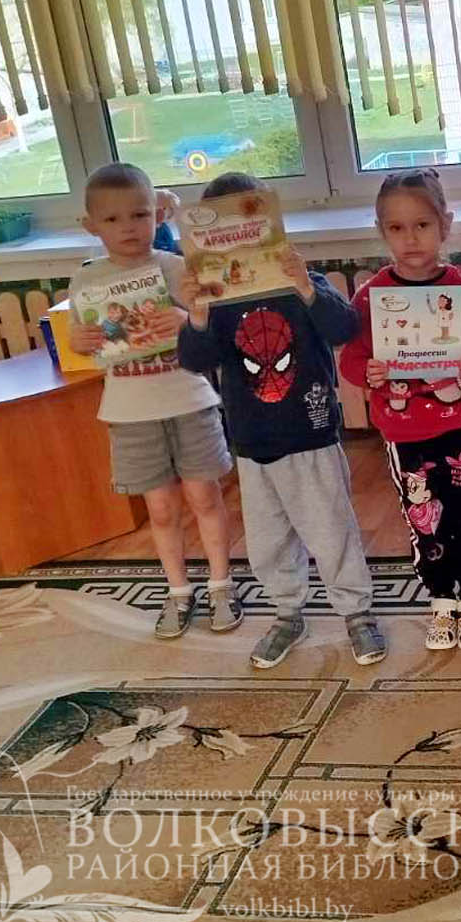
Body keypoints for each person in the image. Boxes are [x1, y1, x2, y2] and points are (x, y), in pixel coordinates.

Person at [177, 171, 386, 670]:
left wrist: (305, 285)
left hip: (310, 433)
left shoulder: (302, 285)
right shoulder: (218, 303)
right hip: (252, 443)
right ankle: (287, 613)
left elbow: (344, 327)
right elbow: (195, 358)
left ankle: (356, 612)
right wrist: (197, 313)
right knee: (268, 541)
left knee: (331, 530)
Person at [337, 169, 461, 652]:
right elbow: (351, 359)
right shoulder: (370, 297)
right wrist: (368, 371)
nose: (410, 238)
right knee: (423, 518)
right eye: (396, 227)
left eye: (422, 225)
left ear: (444, 225)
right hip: (405, 433)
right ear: (381, 231)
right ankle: (440, 597)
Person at [66, 163, 236, 639]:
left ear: (158, 214)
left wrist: (186, 319)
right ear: (91, 226)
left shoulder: (177, 267)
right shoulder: (85, 281)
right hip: (130, 411)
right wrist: (79, 340)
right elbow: (82, 343)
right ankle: (178, 590)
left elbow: (210, 325)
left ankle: (221, 585)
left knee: (205, 496)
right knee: (160, 509)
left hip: (189, 399)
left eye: (140, 215)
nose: (129, 228)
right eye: (113, 219)